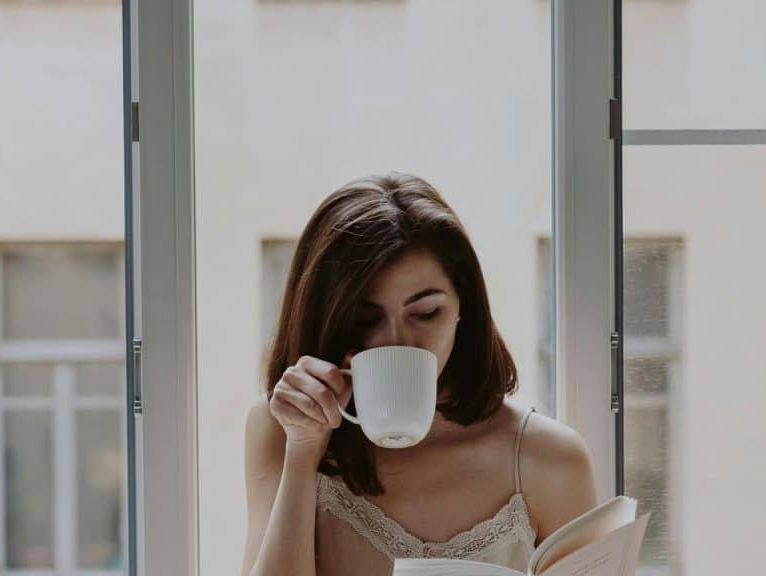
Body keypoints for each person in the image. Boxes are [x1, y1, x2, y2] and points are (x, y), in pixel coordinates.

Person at [242, 172, 598, 576]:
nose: (397, 342)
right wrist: (304, 452)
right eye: (365, 317)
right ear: (330, 321)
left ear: (464, 310)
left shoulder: (549, 459)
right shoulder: (279, 430)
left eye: (426, 313)